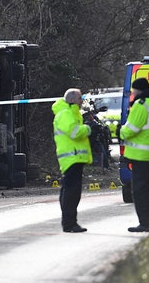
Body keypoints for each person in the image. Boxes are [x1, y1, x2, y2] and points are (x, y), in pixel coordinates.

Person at [120, 78, 149, 232]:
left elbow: (131, 129)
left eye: (133, 90)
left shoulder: (141, 105)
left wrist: (121, 131)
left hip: (141, 156)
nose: (132, 93)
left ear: (137, 90)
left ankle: (145, 223)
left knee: (140, 191)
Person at [51, 88, 93, 233]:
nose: (82, 101)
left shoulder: (72, 113)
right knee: (71, 192)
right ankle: (69, 223)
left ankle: (70, 222)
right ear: (72, 99)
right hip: (71, 157)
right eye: (80, 98)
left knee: (72, 191)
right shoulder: (66, 114)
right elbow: (74, 133)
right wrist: (88, 129)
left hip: (75, 157)